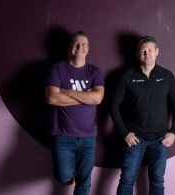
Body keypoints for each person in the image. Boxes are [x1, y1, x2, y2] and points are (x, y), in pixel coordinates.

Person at [111, 35, 175, 195]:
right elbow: (113, 105)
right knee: (127, 180)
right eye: (143, 51)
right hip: (135, 139)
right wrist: (124, 132)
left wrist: (174, 131)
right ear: (138, 54)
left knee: (157, 181)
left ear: (157, 52)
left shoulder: (167, 76)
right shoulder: (127, 76)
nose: (147, 54)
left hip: (160, 140)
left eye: (150, 50)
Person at [45, 30, 104, 195]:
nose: (80, 48)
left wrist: (65, 91)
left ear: (88, 49)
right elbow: (52, 98)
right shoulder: (56, 69)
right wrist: (86, 96)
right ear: (70, 47)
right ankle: (67, 177)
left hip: (88, 137)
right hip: (62, 136)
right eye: (76, 44)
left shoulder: (94, 72)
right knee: (64, 176)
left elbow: (98, 98)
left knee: (84, 183)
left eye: (84, 45)